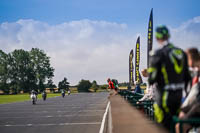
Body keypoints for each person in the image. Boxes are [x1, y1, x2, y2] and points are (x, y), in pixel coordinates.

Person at [148, 25, 191, 129]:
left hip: (164, 97)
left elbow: (152, 78)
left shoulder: (157, 53)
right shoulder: (181, 53)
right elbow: (187, 77)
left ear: (157, 38)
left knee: (163, 127)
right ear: (168, 35)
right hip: (179, 96)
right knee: (176, 126)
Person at [176, 48, 200, 133]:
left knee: (180, 126)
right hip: (196, 104)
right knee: (179, 123)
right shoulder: (196, 71)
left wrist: (184, 109)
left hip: (198, 106)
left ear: (191, 58)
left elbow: (195, 94)